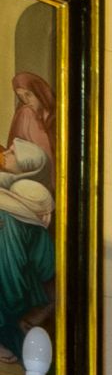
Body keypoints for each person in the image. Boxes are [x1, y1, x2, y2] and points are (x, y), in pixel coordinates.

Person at [0, 59, 53, 341]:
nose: (25, 102)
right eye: (20, 97)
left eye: (28, 95)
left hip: (26, 229)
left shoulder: (31, 190)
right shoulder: (25, 115)